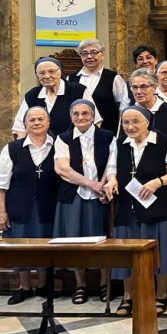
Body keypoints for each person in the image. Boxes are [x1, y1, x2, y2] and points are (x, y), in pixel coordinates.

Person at [104, 106, 167, 317]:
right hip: (127, 205)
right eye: (126, 122)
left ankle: (160, 294)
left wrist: (158, 182)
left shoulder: (164, 141)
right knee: (127, 254)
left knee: (161, 253)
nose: (130, 126)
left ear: (147, 122)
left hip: (158, 205)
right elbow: (111, 168)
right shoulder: (119, 143)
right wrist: (112, 180)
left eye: (135, 121)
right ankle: (128, 297)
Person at [53, 100, 114, 305]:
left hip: (101, 197)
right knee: (75, 240)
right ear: (71, 116)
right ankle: (80, 285)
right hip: (74, 196)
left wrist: (104, 186)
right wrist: (91, 184)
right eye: (76, 113)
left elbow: (111, 164)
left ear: (93, 115)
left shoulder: (107, 136)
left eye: (85, 113)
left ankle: (105, 283)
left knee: (104, 239)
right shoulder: (63, 138)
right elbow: (63, 169)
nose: (81, 117)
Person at [0, 107, 58, 304]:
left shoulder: (59, 146)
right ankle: (24, 286)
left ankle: (42, 285)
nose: (36, 123)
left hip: (48, 207)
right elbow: (0, 185)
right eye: (32, 120)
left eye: (41, 119)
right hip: (20, 208)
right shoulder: (12, 149)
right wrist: (2, 213)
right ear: (25, 124)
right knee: (21, 247)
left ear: (48, 123)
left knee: (44, 245)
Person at [13, 57, 97, 139]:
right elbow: (19, 127)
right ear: (36, 75)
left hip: (73, 146)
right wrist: (22, 149)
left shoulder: (79, 91)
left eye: (51, 71)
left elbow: (95, 121)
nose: (47, 76)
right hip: (41, 148)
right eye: (41, 73)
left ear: (60, 72)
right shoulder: (32, 95)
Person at [126, 69, 167, 160]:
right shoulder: (127, 114)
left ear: (155, 87)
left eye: (143, 86)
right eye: (135, 87)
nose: (138, 91)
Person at [68, 38, 129, 133]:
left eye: (94, 52)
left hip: (107, 131)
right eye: (84, 53)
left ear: (102, 55)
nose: (89, 57)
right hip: (77, 132)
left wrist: (121, 132)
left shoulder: (113, 78)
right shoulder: (71, 79)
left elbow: (123, 107)